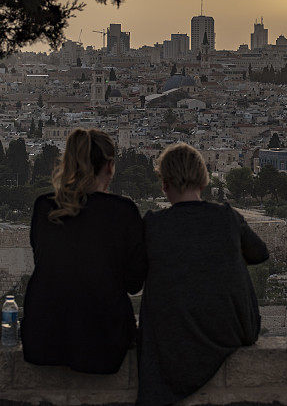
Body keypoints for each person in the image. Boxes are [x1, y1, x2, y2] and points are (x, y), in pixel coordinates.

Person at [136, 143, 268, 406]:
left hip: (170, 340)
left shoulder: (154, 225)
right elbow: (259, 254)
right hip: (231, 330)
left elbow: (136, 276)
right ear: (204, 181)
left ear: (165, 185)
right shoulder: (227, 218)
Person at [21, 129, 144, 374]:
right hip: (104, 344)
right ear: (110, 166)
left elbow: (46, 263)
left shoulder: (44, 206)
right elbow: (134, 283)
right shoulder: (123, 212)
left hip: (42, 339)